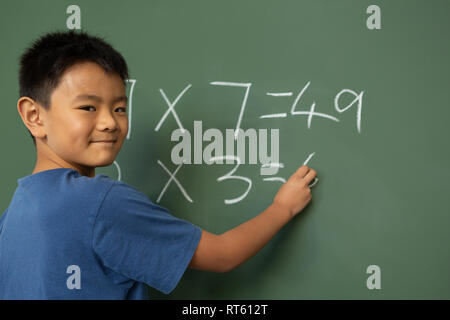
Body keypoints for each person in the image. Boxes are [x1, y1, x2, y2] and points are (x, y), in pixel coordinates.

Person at [0, 30, 317, 299]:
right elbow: (222, 255)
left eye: (120, 108)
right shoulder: (99, 202)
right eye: (88, 107)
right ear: (34, 116)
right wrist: (283, 207)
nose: (110, 122)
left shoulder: (12, 216)